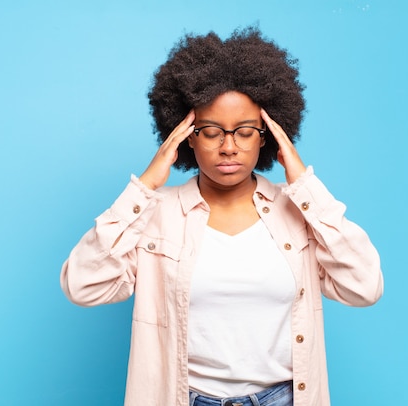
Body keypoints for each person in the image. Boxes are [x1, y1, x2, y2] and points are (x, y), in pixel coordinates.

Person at [61, 26, 383, 406]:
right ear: (186, 136)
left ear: (267, 136)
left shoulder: (299, 211)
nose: (228, 147)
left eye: (244, 131)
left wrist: (305, 185)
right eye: (212, 131)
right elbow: (83, 286)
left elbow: (364, 287)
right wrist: (145, 186)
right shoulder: (156, 214)